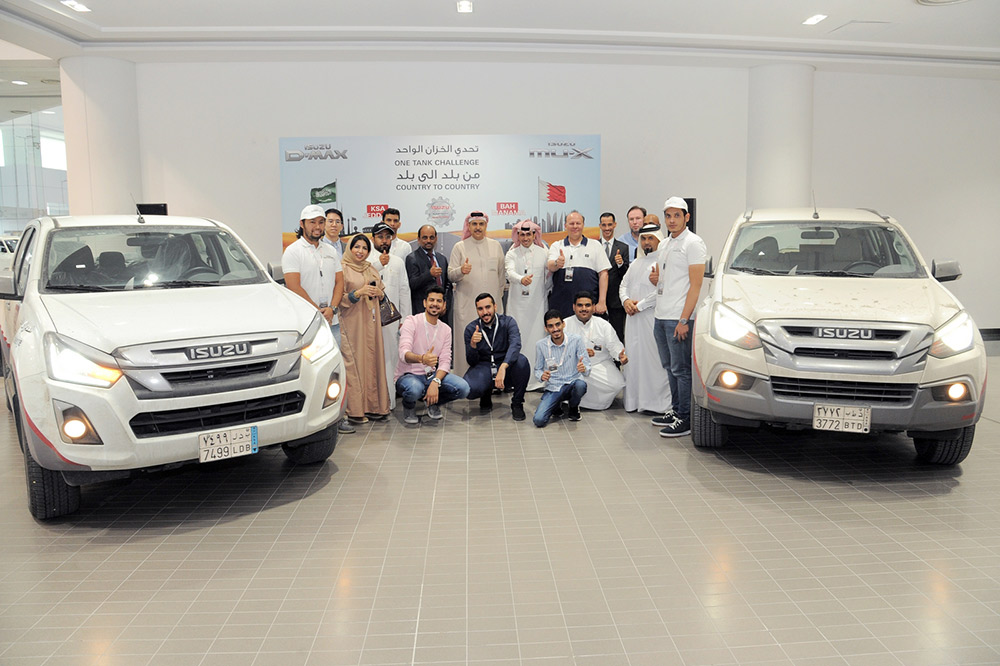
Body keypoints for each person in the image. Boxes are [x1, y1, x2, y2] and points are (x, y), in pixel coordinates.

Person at [282, 204, 354, 434]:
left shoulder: (330, 251)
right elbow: (293, 286)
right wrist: (317, 312)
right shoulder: (293, 251)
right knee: (310, 372)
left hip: (332, 323)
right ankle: (310, 422)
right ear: (302, 224)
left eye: (321, 222)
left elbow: (339, 282)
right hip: (307, 326)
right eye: (312, 222)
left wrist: (332, 308)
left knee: (335, 371)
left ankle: (337, 418)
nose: (318, 226)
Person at [651, 196, 707, 438]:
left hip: (679, 317)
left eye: (677, 215)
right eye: (668, 215)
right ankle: (675, 411)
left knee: (681, 370)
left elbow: (696, 285)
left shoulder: (693, 243)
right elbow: (666, 279)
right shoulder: (664, 244)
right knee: (670, 367)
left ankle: (685, 418)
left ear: (687, 217)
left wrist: (685, 319)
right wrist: (656, 280)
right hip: (661, 315)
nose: (672, 220)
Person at [395, 286, 470, 424]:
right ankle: (409, 406)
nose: (435, 304)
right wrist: (422, 358)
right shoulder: (411, 322)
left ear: (444, 305)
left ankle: (432, 402)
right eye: (431, 300)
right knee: (414, 389)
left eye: (439, 301)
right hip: (409, 375)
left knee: (463, 388)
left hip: (431, 375)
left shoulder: (446, 329)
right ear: (425, 303)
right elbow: (403, 353)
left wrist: (436, 382)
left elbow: (445, 361)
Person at [620, 223, 672, 415]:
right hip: (633, 321)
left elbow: (664, 290)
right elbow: (623, 285)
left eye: (651, 238)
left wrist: (639, 305)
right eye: (643, 238)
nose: (646, 242)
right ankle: (635, 402)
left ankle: (658, 404)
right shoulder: (636, 263)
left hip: (652, 318)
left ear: (659, 239)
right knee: (634, 360)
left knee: (654, 361)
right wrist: (626, 301)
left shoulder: (664, 262)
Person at [340, 234, 392, 423]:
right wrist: (358, 293)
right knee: (355, 362)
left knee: (372, 360)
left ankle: (374, 407)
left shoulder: (370, 268)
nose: (360, 251)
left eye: (364, 248)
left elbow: (381, 292)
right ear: (350, 248)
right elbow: (338, 298)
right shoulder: (342, 269)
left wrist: (379, 293)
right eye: (357, 247)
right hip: (352, 322)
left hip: (371, 322)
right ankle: (355, 410)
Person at [448, 211, 505, 376]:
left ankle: (495, 378)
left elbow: (501, 278)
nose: (478, 227)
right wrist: (461, 270)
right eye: (474, 224)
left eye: (481, 224)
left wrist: (496, 300)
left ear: (486, 226)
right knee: (467, 342)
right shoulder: (460, 247)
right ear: (469, 226)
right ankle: (463, 378)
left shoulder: (495, 246)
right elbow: (450, 275)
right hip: (467, 307)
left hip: (491, 308)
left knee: (494, 341)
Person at [463, 293, 531, 420]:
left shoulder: (508, 322)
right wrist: (473, 345)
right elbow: (471, 362)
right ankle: (485, 393)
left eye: (488, 307)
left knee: (522, 362)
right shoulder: (471, 329)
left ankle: (517, 403)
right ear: (476, 310)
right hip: (484, 366)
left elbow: (515, 345)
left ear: (495, 306)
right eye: (480, 309)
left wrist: (504, 366)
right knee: (468, 390)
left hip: (505, 363)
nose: (485, 312)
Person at [503, 219, 549, 391]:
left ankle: (538, 380)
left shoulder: (543, 252)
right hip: (517, 306)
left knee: (537, 340)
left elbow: (549, 275)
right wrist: (521, 279)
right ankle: (516, 380)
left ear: (534, 235)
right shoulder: (512, 253)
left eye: (528, 234)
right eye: (521, 234)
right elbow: (509, 272)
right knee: (517, 340)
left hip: (537, 306)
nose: (525, 238)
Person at [371, 221, 412, 410]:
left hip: (391, 322)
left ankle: (389, 401)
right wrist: (378, 265)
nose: (384, 240)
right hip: (369, 321)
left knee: (391, 360)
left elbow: (404, 290)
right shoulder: (365, 260)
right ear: (373, 238)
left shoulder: (397, 261)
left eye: (388, 237)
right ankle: (373, 402)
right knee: (372, 361)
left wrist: (405, 320)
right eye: (380, 237)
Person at [564, 291, 627, 410]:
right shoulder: (565, 324)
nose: (584, 309)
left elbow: (613, 345)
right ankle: (570, 400)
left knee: (617, 383)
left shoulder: (603, 325)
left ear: (593, 307)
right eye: (580, 305)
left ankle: (595, 403)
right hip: (574, 365)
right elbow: (557, 350)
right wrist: (578, 353)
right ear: (574, 307)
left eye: (587, 305)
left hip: (599, 364)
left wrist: (620, 355)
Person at [546, 210, 611, 318]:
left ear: (583, 225)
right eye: (571, 223)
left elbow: (604, 274)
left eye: (578, 223)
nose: (575, 226)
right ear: (565, 226)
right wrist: (557, 263)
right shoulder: (557, 245)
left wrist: (602, 302)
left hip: (588, 306)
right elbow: (550, 266)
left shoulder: (595, 245)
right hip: (562, 305)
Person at [532, 309, 590, 427]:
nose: (555, 329)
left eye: (558, 324)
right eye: (551, 326)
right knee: (539, 420)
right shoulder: (541, 345)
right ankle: (556, 404)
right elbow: (537, 369)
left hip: (572, 382)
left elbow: (587, 365)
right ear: (546, 328)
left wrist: (584, 368)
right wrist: (541, 376)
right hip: (554, 387)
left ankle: (573, 407)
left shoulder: (576, 340)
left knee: (581, 385)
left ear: (563, 324)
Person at [405, 224, 451, 320]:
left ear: (436, 239)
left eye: (431, 237)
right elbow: (412, 284)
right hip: (422, 311)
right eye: (425, 238)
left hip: (441, 312)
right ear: (418, 239)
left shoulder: (442, 258)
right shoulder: (412, 258)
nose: (428, 241)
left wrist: (445, 304)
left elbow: (447, 284)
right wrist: (429, 274)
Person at [597, 212, 630, 343]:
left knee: (618, 335)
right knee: (598, 335)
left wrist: (620, 264)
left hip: (616, 301)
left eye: (610, 225)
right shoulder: (594, 246)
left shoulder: (623, 248)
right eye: (604, 225)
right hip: (597, 299)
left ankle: (619, 357)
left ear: (615, 225)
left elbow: (626, 275)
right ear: (600, 226)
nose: (607, 228)